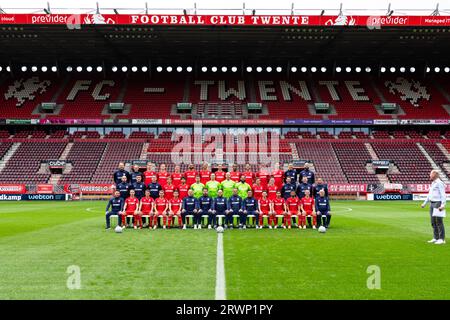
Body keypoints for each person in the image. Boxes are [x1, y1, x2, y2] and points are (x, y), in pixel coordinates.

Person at [421, 170, 446, 245]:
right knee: (433, 222)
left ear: (435, 174)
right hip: (432, 203)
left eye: (430, 174)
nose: (430, 175)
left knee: (439, 221)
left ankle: (441, 239)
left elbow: (443, 195)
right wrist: (424, 203)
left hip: (437, 203)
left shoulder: (439, 183)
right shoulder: (433, 183)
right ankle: (436, 237)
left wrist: (442, 205)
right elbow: (429, 194)